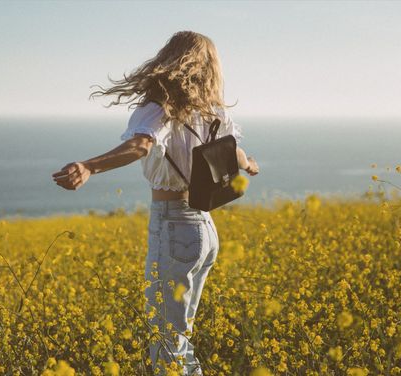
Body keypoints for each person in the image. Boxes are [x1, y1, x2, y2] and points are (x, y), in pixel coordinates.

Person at [52, 31, 259, 376]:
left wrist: (89, 166)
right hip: (205, 230)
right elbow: (235, 153)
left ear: (168, 59)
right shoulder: (212, 112)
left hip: (174, 226)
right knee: (180, 338)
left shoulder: (158, 108)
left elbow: (141, 146)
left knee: (167, 342)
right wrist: (250, 163)